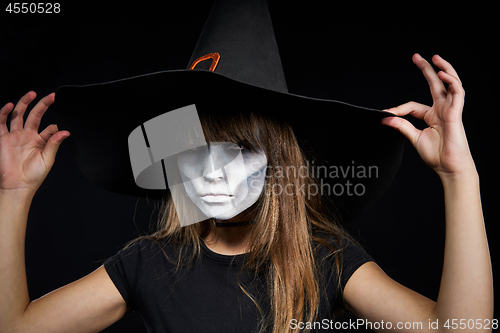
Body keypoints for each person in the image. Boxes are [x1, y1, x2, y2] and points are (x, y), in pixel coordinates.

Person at [0, 54, 493, 332]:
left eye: (237, 150)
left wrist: (459, 177)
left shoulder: (325, 261)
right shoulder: (148, 264)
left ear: (279, 163)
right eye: (194, 150)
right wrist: (14, 194)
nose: (212, 173)